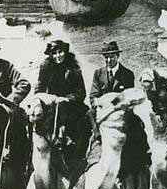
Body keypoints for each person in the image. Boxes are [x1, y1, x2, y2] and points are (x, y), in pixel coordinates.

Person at [89, 41, 150, 169]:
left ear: (117, 56)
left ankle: (143, 157)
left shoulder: (127, 74)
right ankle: (95, 141)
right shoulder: (98, 73)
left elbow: (128, 97)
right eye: (106, 57)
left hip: (121, 111)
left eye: (112, 56)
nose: (109, 60)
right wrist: (100, 104)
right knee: (89, 114)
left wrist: (116, 105)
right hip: (103, 111)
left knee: (137, 125)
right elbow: (93, 96)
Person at [36, 39, 91, 158]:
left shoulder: (74, 68)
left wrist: (67, 99)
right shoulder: (45, 67)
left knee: (83, 120)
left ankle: (65, 140)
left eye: (60, 52)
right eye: (54, 53)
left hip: (72, 105)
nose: (57, 56)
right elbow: (39, 87)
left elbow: (81, 92)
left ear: (65, 52)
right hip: (52, 103)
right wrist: (45, 98)